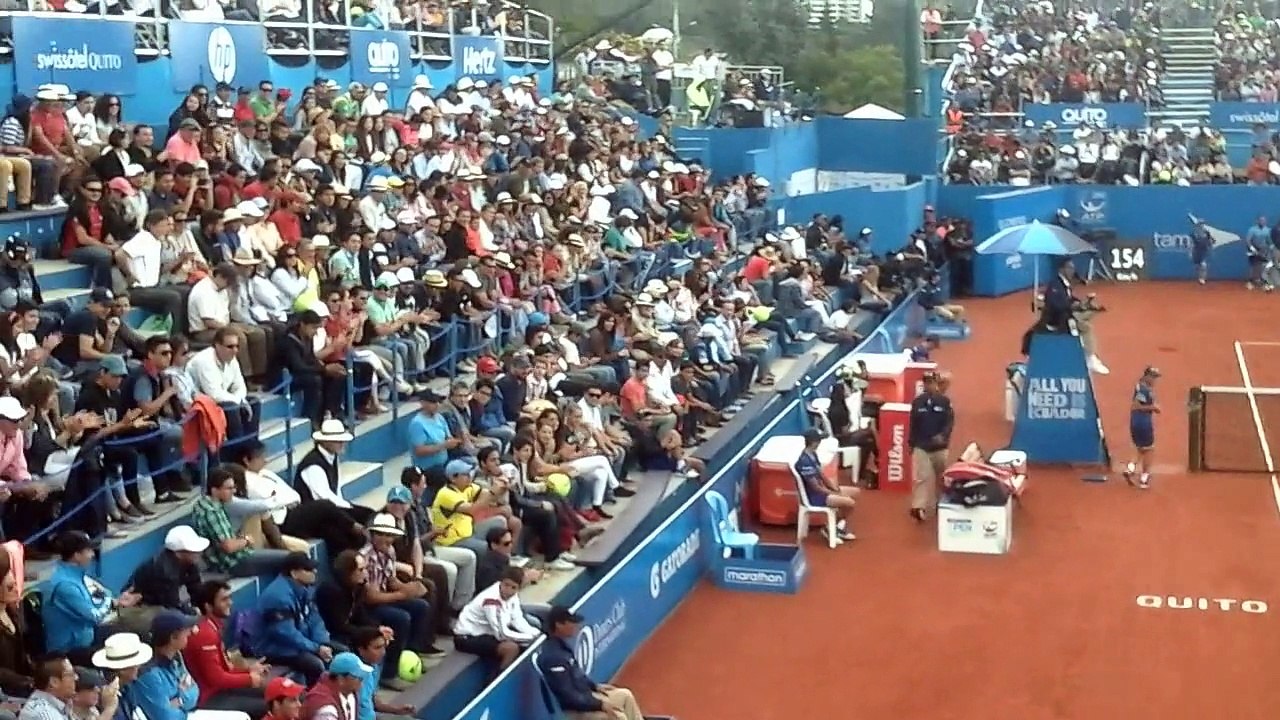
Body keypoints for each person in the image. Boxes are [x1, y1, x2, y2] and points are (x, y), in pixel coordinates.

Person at [44, 531, 141, 664]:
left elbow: (102, 598)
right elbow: (94, 616)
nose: (92, 555)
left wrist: (114, 601)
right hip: (69, 651)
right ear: (77, 556)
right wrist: (113, 603)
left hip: (86, 638)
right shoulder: (65, 585)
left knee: (129, 634)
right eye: (88, 550)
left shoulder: (77, 576)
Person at [537, 606, 647, 720]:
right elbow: (569, 696)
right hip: (575, 710)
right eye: (571, 622)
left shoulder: (561, 647)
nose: (576, 626)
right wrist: (600, 704)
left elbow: (578, 677)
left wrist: (595, 686)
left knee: (625, 695)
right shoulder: (553, 658)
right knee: (618, 716)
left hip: (587, 698)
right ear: (559, 625)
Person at [183, 581, 267, 716]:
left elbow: (224, 668)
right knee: (270, 705)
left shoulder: (212, 626)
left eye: (230, 597)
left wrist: (248, 669)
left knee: (275, 693)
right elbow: (216, 678)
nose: (230, 602)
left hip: (221, 689)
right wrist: (249, 679)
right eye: (224, 599)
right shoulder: (204, 634)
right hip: (209, 698)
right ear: (208, 606)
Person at [191, 466, 292, 577]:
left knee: (293, 559)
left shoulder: (206, 503)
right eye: (229, 488)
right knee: (294, 559)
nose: (233, 491)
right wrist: (246, 540)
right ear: (215, 490)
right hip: (233, 563)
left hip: (237, 557)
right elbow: (228, 547)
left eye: (233, 487)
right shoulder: (211, 511)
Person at [256, 553, 336, 686]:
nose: (314, 571)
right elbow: (285, 633)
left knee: (341, 652)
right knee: (315, 665)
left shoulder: (305, 589)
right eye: (308, 569)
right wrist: (316, 648)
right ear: (294, 573)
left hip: (301, 644)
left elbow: (315, 619)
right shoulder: (278, 596)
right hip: (277, 649)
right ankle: (314, 701)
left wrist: (322, 643)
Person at [452, 566, 541, 673]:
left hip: (486, 632)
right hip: (466, 637)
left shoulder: (514, 596)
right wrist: (532, 638)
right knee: (511, 648)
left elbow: (517, 619)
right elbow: (501, 634)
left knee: (531, 631)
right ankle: (494, 680)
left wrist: (535, 634)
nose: (508, 590)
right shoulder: (491, 600)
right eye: (506, 585)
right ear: (501, 582)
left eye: (513, 587)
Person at [122, 525, 206, 632]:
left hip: (161, 601)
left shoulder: (189, 561)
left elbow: (196, 588)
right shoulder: (164, 571)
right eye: (193, 550)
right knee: (179, 622)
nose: (199, 553)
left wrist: (201, 608)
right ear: (179, 553)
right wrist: (193, 614)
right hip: (141, 606)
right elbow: (172, 604)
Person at [792, 428, 857, 544]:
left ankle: (836, 526)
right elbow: (815, 487)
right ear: (814, 442)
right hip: (815, 497)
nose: (820, 442)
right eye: (819, 440)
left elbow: (822, 475)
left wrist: (835, 488)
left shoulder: (813, 454)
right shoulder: (804, 462)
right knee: (850, 503)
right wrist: (833, 493)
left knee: (855, 492)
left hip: (822, 491)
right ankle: (830, 529)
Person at [908, 371, 953, 523]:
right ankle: (918, 507)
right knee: (922, 477)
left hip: (940, 448)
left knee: (942, 477)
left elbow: (949, 423)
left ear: (936, 383)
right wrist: (911, 444)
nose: (929, 385)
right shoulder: (918, 402)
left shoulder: (944, 402)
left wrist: (943, 436)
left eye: (931, 382)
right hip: (922, 446)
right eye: (926, 382)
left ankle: (942, 503)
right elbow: (913, 424)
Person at [347, 626, 414, 720]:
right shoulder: (350, 675)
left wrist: (397, 710)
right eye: (377, 648)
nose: (383, 652)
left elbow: (373, 702)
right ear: (361, 650)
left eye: (384, 647)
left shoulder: (374, 667)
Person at [91, 633, 152, 720]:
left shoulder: (127, 688)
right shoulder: (105, 696)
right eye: (136, 664)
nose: (139, 666)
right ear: (123, 670)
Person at [300, 652, 370, 720]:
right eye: (358, 677)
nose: (361, 680)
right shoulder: (326, 709)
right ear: (341, 679)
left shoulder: (350, 693)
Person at [1125, 366, 1161, 490]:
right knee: (1149, 450)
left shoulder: (1141, 387)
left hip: (1134, 422)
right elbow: (1136, 406)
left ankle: (1130, 469)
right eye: (1153, 377)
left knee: (1139, 448)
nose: (1154, 380)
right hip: (1143, 423)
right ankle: (1144, 479)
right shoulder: (1144, 390)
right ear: (1146, 376)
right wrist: (1153, 408)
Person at [16, 655, 77, 720]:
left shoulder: (64, 705)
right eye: (70, 675)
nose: (76, 678)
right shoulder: (42, 712)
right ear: (54, 682)